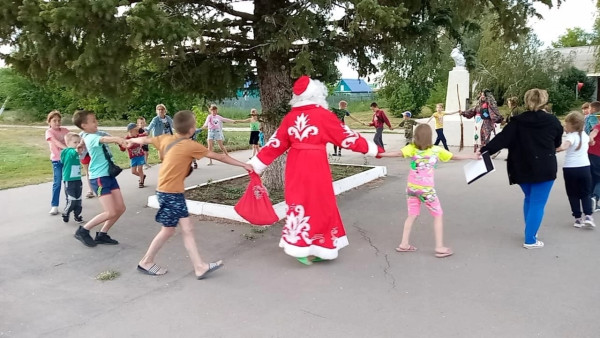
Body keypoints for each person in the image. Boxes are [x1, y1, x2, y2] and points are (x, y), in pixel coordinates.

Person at [247, 76, 382, 265]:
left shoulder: (290, 118)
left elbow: (275, 144)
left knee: (298, 201)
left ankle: (301, 246)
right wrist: (373, 148)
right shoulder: (323, 115)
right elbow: (345, 136)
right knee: (322, 203)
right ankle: (322, 245)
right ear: (317, 94)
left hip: (296, 165)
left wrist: (256, 164)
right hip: (316, 165)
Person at [127, 110, 254, 278]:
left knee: (184, 228)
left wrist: (130, 141)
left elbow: (144, 139)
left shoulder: (166, 139)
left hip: (168, 192)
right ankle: (147, 261)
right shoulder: (190, 145)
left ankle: (198, 266)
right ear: (192, 129)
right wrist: (244, 165)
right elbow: (220, 157)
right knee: (170, 230)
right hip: (170, 193)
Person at [479, 89, 563, 249]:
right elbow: (557, 143)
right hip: (544, 168)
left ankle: (531, 230)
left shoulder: (517, 121)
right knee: (538, 203)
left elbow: (502, 139)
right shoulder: (553, 121)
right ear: (544, 101)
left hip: (521, 167)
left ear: (526, 100)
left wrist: (484, 151)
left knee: (530, 199)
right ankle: (530, 239)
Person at [378, 124, 477, 258]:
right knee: (437, 215)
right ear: (430, 136)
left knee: (412, 215)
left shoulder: (411, 148)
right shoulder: (436, 150)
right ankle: (439, 247)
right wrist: (472, 156)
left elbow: (397, 153)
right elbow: (454, 156)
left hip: (411, 188)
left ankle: (404, 244)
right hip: (427, 190)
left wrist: (380, 154)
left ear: (416, 136)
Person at [72, 110, 129, 247]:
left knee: (120, 208)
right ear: (84, 125)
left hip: (108, 176)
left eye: (96, 120)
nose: (96, 122)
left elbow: (100, 136)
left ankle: (102, 234)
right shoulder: (91, 138)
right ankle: (83, 231)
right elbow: (103, 140)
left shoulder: (89, 135)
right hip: (99, 178)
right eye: (93, 121)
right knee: (110, 212)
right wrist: (116, 139)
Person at [556, 112, 595, 228]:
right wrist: (592, 141)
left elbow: (564, 146)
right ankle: (588, 215)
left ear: (572, 125)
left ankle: (578, 218)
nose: (564, 126)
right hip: (585, 168)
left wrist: (556, 149)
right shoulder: (585, 135)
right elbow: (591, 142)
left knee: (572, 193)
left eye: (566, 124)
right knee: (586, 193)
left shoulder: (570, 137)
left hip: (570, 169)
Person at [45, 110, 70, 215]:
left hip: (67, 160)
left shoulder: (65, 130)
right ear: (49, 122)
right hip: (56, 160)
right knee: (57, 182)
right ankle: (54, 206)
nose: (57, 122)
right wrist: (68, 149)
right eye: (54, 120)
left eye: (59, 120)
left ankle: (71, 202)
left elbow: (73, 138)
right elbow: (56, 142)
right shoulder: (49, 132)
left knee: (68, 182)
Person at [60, 132, 84, 224]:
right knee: (72, 199)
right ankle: (66, 213)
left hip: (77, 180)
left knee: (78, 199)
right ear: (68, 143)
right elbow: (73, 152)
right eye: (75, 142)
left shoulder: (76, 153)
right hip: (69, 181)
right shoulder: (67, 152)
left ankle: (77, 215)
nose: (77, 144)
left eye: (79, 142)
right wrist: (78, 149)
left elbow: (77, 153)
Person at [120, 123, 146, 188]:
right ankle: (142, 176)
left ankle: (141, 181)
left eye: (138, 130)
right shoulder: (126, 138)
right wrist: (120, 144)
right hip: (133, 157)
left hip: (140, 155)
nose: (137, 132)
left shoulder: (138, 136)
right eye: (136, 130)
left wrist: (145, 134)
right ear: (131, 131)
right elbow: (123, 148)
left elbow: (144, 136)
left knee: (140, 169)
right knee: (133, 171)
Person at [587, 113, 600, 212]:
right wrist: (591, 137)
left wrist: (590, 138)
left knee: (593, 176)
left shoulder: (598, 126)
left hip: (591, 154)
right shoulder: (597, 126)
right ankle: (595, 198)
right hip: (597, 155)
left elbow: (594, 132)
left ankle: (589, 199)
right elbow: (594, 132)